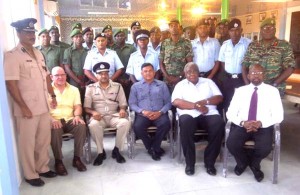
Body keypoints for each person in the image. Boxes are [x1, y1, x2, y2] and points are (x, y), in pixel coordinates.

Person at [4, 18, 57, 187]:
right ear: (18, 33)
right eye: (27, 32)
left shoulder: (39, 53)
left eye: (33, 32)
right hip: (27, 109)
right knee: (27, 143)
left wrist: (53, 95)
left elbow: (46, 76)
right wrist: (23, 107)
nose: (31, 35)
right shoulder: (12, 56)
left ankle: (42, 167)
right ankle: (29, 173)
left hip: (43, 105)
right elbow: (11, 84)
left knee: (43, 139)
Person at [226, 64, 284, 182]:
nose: (256, 75)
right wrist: (243, 122)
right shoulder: (240, 91)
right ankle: (242, 163)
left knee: (264, 148)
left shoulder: (273, 91)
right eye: (253, 73)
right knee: (232, 144)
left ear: (264, 75)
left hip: (263, 126)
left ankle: (255, 165)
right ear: (248, 75)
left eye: (259, 73)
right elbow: (230, 112)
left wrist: (261, 123)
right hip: (243, 125)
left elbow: (279, 115)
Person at [172, 62, 224, 176]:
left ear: (198, 72)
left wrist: (205, 102)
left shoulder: (208, 82)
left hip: (208, 112)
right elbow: (176, 102)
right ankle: (190, 164)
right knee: (185, 123)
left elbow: (219, 97)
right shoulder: (180, 85)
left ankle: (210, 163)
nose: (192, 74)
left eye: (194, 71)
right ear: (185, 74)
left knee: (218, 124)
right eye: (189, 72)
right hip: (189, 113)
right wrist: (195, 106)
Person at [84, 62, 130, 165]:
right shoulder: (90, 88)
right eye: (100, 73)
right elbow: (86, 107)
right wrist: (93, 112)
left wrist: (122, 109)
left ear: (109, 74)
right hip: (99, 116)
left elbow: (123, 104)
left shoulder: (117, 86)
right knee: (93, 125)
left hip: (114, 115)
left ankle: (117, 150)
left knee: (125, 123)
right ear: (96, 75)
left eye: (106, 73)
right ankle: (101, 152)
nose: (103, 76)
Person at [242, 18, 295, 96]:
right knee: (254, 108)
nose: (268, 30)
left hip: (275, 89)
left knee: (272, 108)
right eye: (265, 28)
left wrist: (274, 84)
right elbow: (244, 66)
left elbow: (290, 68)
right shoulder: (253, 45)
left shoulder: (284, 46)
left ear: (275, 30)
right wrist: (248, 85)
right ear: (261, 30)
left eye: (271, 28)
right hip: (254, 88)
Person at [129, 63, 171, 161]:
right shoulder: (135, 86)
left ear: (154, 72)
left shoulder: (162, 85)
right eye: (145, 71)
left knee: (165, 124)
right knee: (137, 127)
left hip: (159, 113)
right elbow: (132, 104)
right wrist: (143, 111)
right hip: (143, 115)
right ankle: (152, 148)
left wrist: (160, 112)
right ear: (141, 73)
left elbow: (168, 103)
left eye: (150, 71)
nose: (148, 73)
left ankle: (154, 148)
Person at [50, 67, 87, 175]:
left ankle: (77, 158)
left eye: (63, 74)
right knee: (55, 130)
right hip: (55, 120)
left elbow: (78, 106)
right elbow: (44, 110)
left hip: (70, 118)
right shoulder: (47, 90)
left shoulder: (74, 89)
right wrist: (51, 120)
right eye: (57, 75)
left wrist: (77, 116)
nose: (60, 77)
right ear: (51, 77)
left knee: (81, 126)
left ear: (66, 75)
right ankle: (58, 161)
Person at [218, 18, 251, 113]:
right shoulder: (225, 45)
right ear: (229, 32)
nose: (235, 33)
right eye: (232, 30)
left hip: (242, 79)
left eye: (237, 30)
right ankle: (229, 124)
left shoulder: (248, 44)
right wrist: (229, 74)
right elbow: (222, 62)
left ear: (241, 30)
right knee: (228, 101)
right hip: (228, 79)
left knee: (242, 102)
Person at [159, 19, 193, 90]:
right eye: (171, 26)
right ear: (169, 29)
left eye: (176, 26)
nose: (173, 28)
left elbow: (189, 63)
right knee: (167, 100)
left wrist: (179, 77)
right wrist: (167, 77)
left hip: (182, 79)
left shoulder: (186, 43)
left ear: (180, 28)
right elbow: (161, 63)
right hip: (167, 80)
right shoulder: (165, 43)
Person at [112, 29, 136, 99]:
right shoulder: (112, 49)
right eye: (118, 36)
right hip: (116, 79)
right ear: (115, 38)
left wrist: (130, 78)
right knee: (117, 98)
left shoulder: (131, 48)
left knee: (130, 97)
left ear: (125, 37)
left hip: (129, 78)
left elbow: (135, 63)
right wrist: (118, 78)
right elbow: (111, 66)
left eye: (122, 35)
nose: (120, 37)